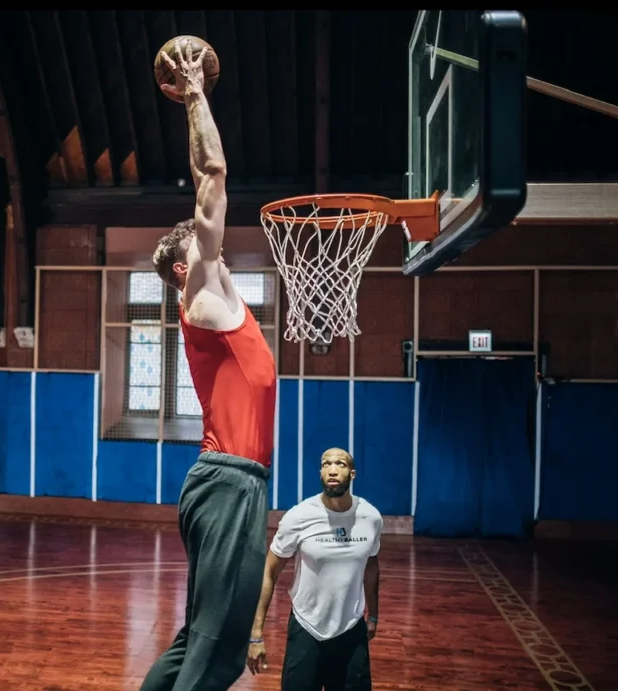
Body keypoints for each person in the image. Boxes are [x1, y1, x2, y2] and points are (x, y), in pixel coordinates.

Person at [139, 39, 277, 691]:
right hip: (228, 483)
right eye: (201, 236)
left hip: (226, 483)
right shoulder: (199, 291)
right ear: (182, 265)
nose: (214, 235)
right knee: (219, 645)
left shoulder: (216, 303)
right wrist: (195, 95)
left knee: (201, 633)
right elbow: (212, 178)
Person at [247, 447, 382, 691]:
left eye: (340, 464)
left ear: (352, 474)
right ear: (320, 472)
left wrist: (373, 616)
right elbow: (269, 572)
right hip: (307, 626)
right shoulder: (298, 517)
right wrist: (256, 634)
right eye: (326, 464)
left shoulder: (370, 518)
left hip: (350, 628)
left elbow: (371, 567)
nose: (332, 469)